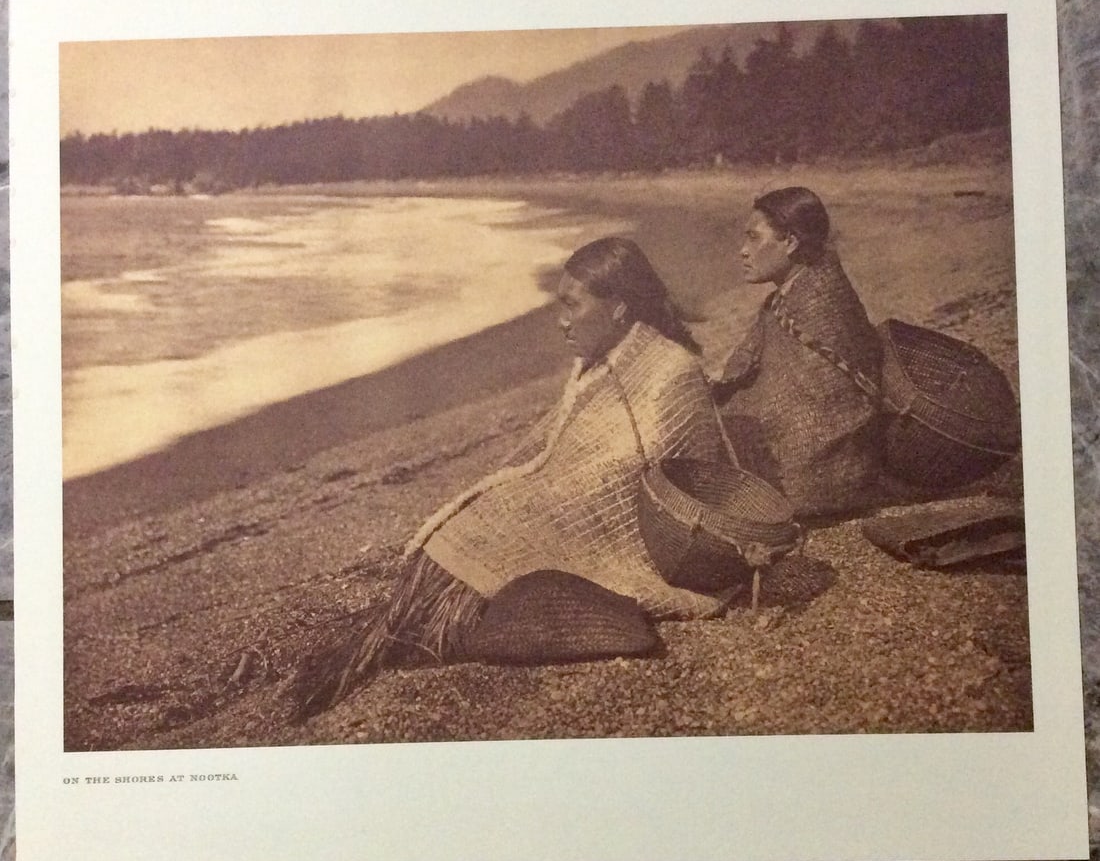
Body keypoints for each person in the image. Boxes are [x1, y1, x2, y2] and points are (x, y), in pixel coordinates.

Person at [295, 237, 734, 718]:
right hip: (576, 501)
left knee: (506, 534)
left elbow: (670, 474)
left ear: (619, 309)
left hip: (630, 528)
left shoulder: (673, 371)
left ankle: (449, 626)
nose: (561, 320)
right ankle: (417, 623)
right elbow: (568, 448)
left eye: (572, 305)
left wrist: (560, 497)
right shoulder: (599, 363)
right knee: (478, 520)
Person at [714, 186, 881, 518]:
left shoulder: (820, 302)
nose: (743, 251)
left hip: (822, 470)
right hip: (834, 462)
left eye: (754, 238)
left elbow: (820, 402)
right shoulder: (802, 289)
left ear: (790, 242)